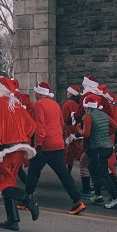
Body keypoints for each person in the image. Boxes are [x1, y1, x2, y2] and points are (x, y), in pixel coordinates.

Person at [0, 76, 39, 230]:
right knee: (9, 182)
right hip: (20, 148)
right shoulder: (18, 105)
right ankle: (13, 219)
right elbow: (31, 125)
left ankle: (27, 199)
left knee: (0, 183)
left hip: (6, 148)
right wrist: (22, 136)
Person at [27, 82, 86, 214]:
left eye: (36, 92)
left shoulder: (38, 105)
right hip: (57, 144)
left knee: (33, 171)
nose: (35, 94)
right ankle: (77, 201)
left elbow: (40, 127)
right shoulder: (55, 104)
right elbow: (61, 124)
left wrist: (38, 144)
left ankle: (27, 200)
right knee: (64, 174)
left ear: (39, 93)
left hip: (45, 145)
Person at [79, 93, 117, 209]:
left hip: (98, 148)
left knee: (103, 174)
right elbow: (115, 126)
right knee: (92, 167)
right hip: (108, 147)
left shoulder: (87, 117)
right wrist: (105, 135)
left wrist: (79, 130)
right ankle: (98, 195)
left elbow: (87, 134)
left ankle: (115, 198)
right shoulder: (104, 114)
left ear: (86, 106)